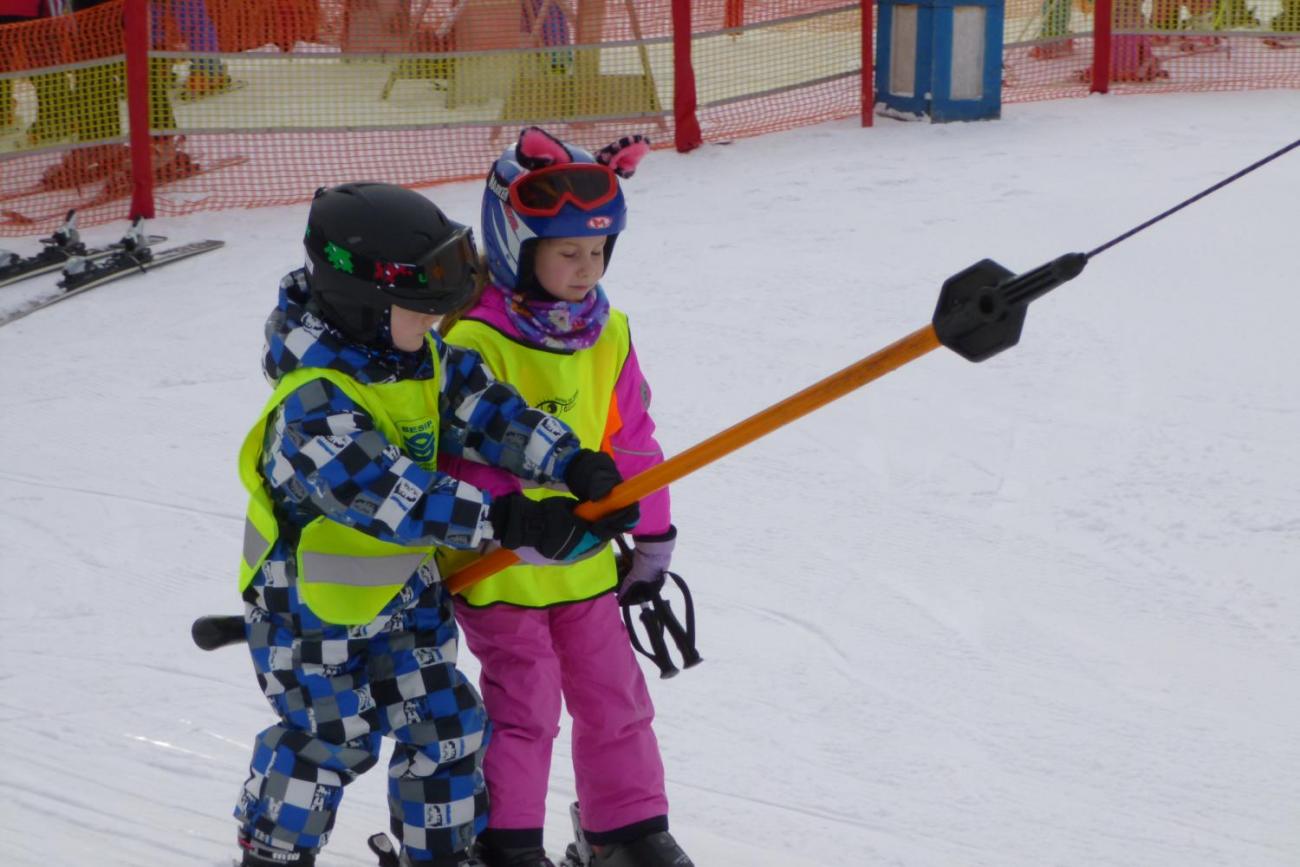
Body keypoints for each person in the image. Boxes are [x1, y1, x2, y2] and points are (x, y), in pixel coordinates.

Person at [232, 181, 639, 867]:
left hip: (405, 604)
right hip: (307, 616)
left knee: (448, 724)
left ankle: (442, 854)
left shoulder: (414, 357)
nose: (432, 325)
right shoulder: (313, 402)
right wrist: (507, 519)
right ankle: (272, 852)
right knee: (333, 736)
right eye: (418, 311)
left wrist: (571, 464)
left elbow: (489, 412)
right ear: (360, 304)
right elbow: (391, 496)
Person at [438, 127, 693, 867]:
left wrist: (652, 535)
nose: (588, 269)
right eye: (567, 253)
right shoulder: (476, 339)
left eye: (600, 250)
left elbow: (633, 439)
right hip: (501, 564)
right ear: (517, 245)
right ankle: (507, 840)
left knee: (616, 697)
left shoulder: (607, 331)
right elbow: (459, 452)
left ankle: (626, 830)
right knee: (526, 707)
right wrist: (510, 519)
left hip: (582, 564)